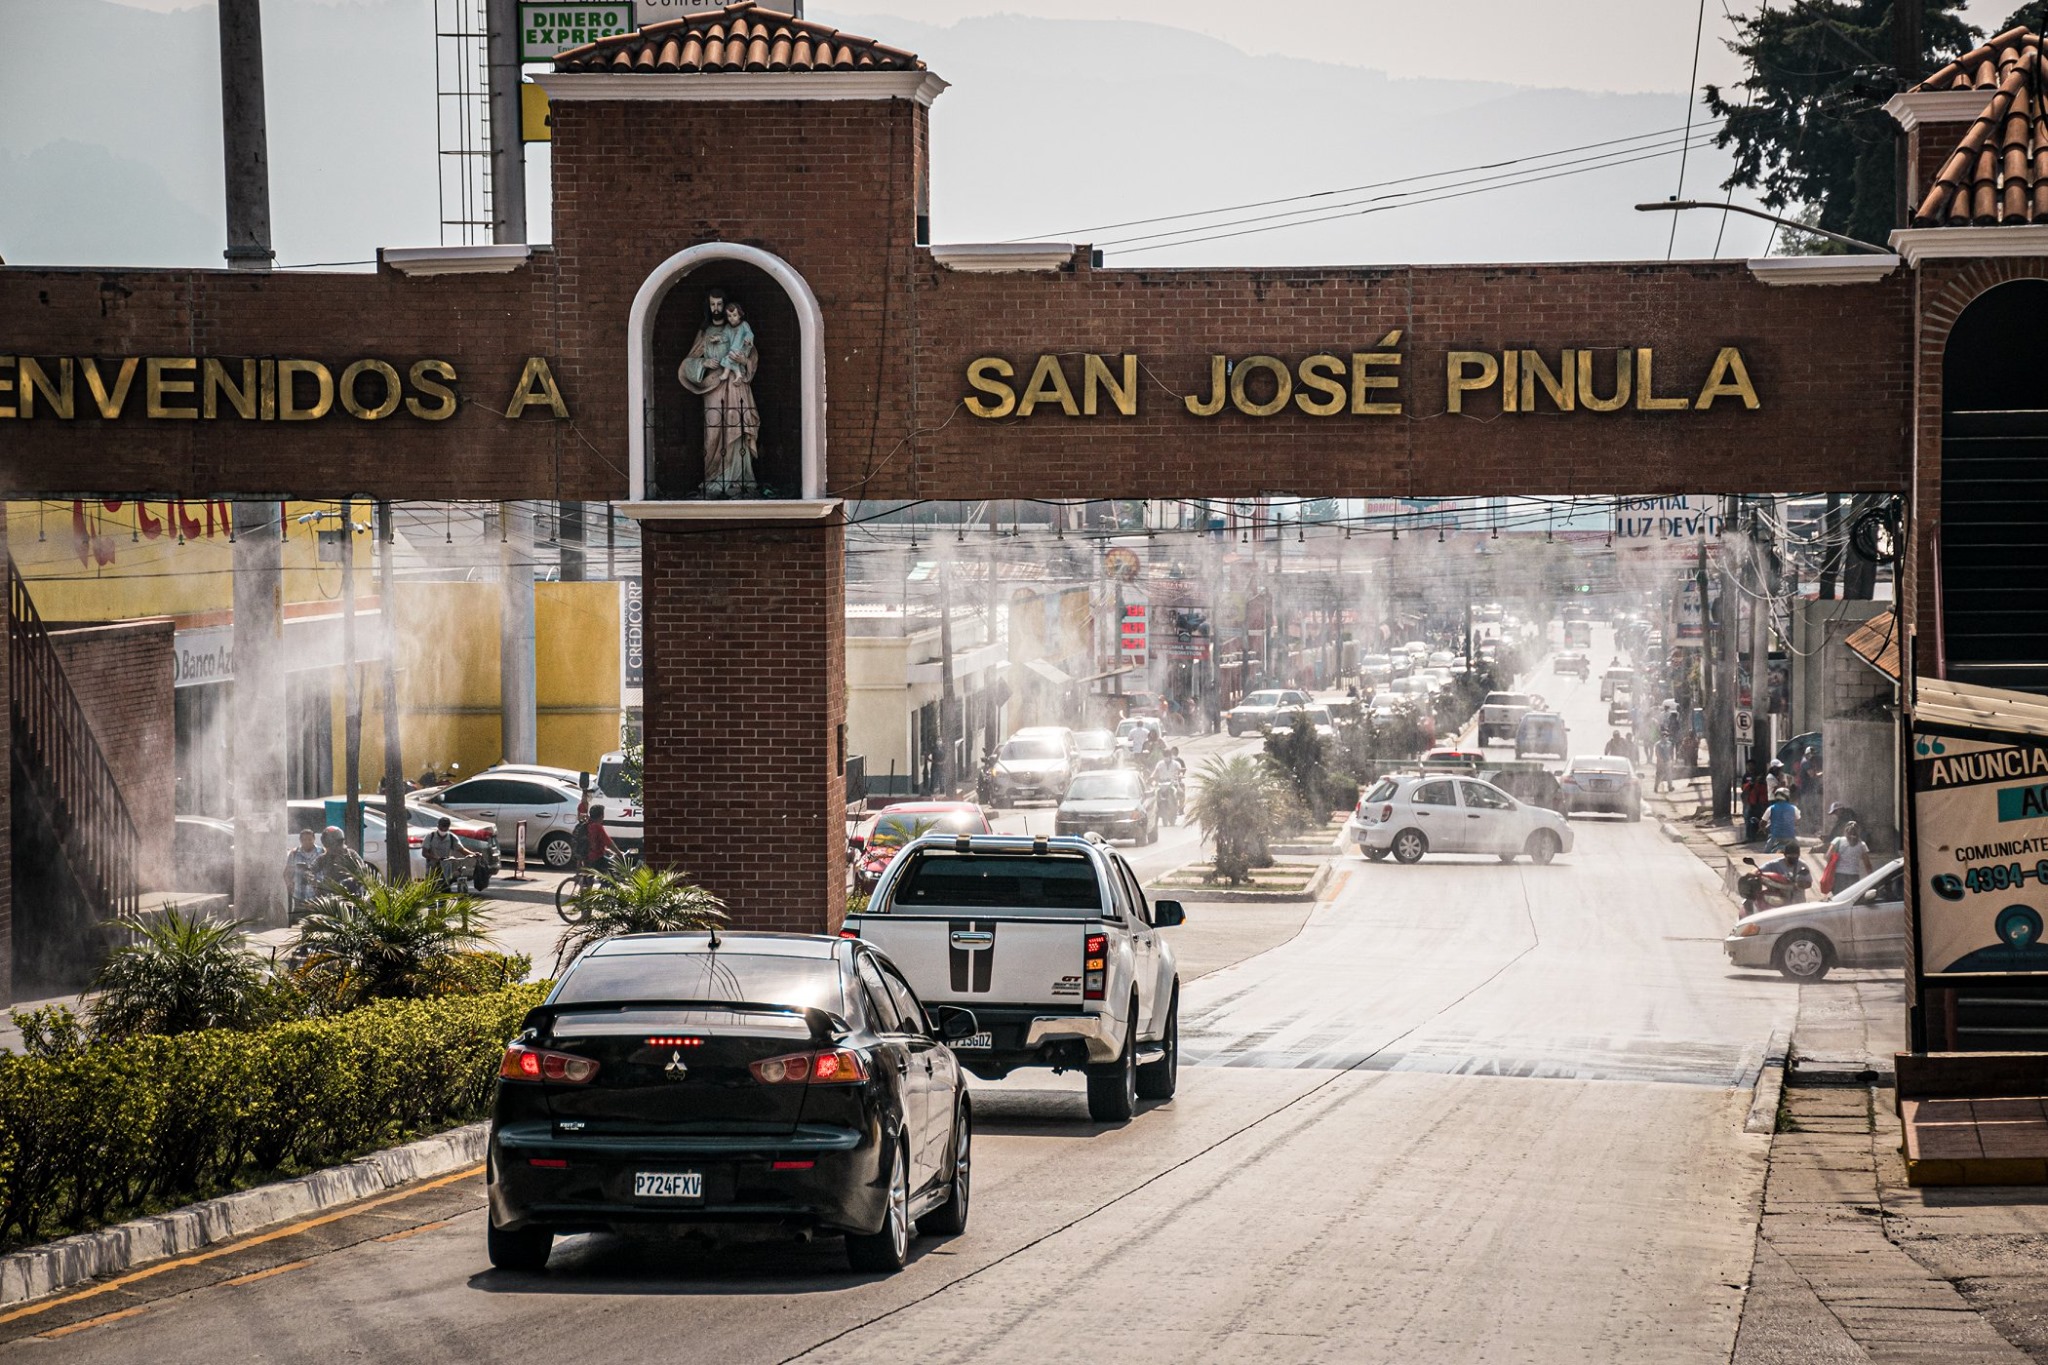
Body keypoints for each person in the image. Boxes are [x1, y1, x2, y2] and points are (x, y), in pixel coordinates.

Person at [313, 826, 368, 896]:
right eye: (328, 846)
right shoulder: (324, 857)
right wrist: (306, 872)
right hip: (331, 897)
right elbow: (313, 867)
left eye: (331, 845)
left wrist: (352, 880)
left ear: (340, 842)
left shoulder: (351, 855)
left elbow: (363, 869)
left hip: (352, 896)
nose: (330, 849)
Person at [1761, 838, 1813, 903]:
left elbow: (1809, 883)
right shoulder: (1774, 864)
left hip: (1798, 901)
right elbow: (1758, 871)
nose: (1793, 858)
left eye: (1795, 856)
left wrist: (1800, 884)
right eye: (1790, 856)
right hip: (1778, 900)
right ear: (1785, 855)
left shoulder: (1802, 865)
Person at [285, 828, 322, 919]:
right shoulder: (294, 853)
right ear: (300, 840)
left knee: (317, 922)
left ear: (314, 839)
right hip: (299, 895)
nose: (307, 842)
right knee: (301, 923)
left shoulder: (321, 852)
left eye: (309, 839)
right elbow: (287, 872)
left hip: (317, 895)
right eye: (304, 840)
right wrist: (289, 884)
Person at [1827, 820, 1871, 889]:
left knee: (1839, 897)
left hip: (1839, 876)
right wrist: (1870, 879)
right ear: (1858, 831)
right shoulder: (1862, 845)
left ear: (1845, 830)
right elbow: (1867, 865)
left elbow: (1828, 856)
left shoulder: (1837, 840)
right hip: (1854, 876)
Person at [422, 815, 461, 890]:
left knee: (446, 890)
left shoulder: (451, 837)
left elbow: (461, 849)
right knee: (431, 889)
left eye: (445, 827)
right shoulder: (430, 836)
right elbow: (424, 853)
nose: (443, 829)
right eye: (441, 826)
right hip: (433, 868)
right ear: (438, 826)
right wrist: (436, 858)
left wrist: (472, 854)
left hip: (446, 869)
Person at [1764, 787, 1800, 851]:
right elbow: (1798, 820)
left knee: (1766, 852)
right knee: (1797, 850)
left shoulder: (1771, 808)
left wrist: (1763, 828)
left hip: (1775, 836)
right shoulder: (1794, 808)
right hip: (1790, 836)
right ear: (1787, 796)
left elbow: (1763, 822)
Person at [1741, 768, 1770, 843]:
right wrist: (1746, 804)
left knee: (1763, 821)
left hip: (1762, 806)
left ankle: (1761, 835)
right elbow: (1743, 794)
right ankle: (1750, 837)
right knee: (1749, 821)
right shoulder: (1750, 785)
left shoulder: (1764, 786)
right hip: (1752, 806)